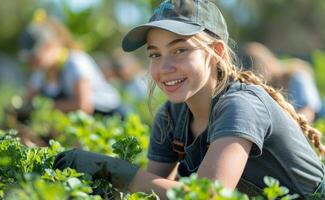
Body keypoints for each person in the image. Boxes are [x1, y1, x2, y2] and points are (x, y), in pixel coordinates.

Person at [53, 0, 325, 199]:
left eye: (180, 50)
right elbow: (155, 189)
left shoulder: (240, 105)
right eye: (155, 54)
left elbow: (209, 197)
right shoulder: (172, 117)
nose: (164, 67)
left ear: (215, 52)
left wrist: (111, 169)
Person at [17, 11, 123, 117]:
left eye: (35, 56)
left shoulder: (75, 62)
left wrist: (44, 107)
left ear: (50, 45)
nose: (32, 62)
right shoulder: (41, 73)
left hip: (109, 116)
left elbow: (84, 106)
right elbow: (27, 100)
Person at [242, 42, 323, 123]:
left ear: (268, 63)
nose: (259, 76)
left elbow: (308, 112)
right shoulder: (266, 85)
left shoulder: (297, 76)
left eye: (259, 69)